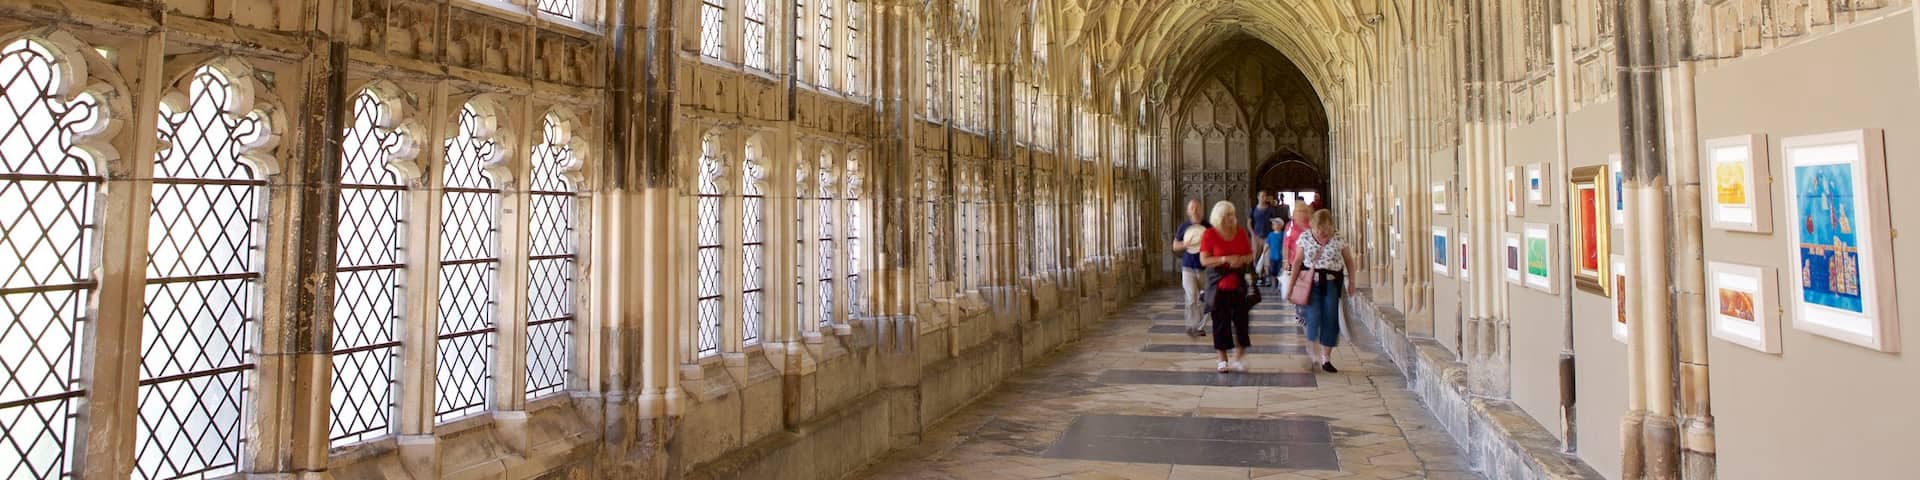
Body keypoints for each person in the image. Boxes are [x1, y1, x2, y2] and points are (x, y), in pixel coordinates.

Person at [1291, 209, 1357, 373]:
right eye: (1318, 229)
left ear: (1331, 225)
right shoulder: (1305, 237)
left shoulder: (1338, 238)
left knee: (1330, 318)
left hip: (1331, 283)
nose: (1322, 232)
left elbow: (1349, 260)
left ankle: (1326, 358)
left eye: (1325, 228)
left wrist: (1352, 282)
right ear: (1312, 226)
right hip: (1311, 284)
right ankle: (1313, 356)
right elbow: (1297, 261)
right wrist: (1291, 285)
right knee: (1313, 317)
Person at [1199, 201, 1258, 373]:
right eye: (1227, 215)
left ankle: (1239, 357)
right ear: (1219, 217)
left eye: (1232, 214)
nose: (1232, 218)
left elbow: (1249, 255)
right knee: (1220, 323)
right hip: (1219, 286)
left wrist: (1241, 259)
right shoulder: (1210, 234)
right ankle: (1222, 358)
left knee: (1242, 322)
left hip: (1238, 285)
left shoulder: (1240, 232)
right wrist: (1225, 259)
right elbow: (1204, 260)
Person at [1169, 199, 1211, 337]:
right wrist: (1186, 244)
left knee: (1206, 299)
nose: (1195, 210)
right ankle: (1192, 326)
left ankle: (1200, 325)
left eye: (1198, 208)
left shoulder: (1208, 227)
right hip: (1188, 268)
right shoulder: (1184, 227)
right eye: (1192, 208)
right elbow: (1175, 246)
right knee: (1192, 298)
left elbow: (1215, 246)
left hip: (1205, 269)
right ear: (1188, 211)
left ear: (1202, 210)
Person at [1280, 202, 1314, 297]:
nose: (1301, 213)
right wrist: (1285, 260)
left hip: (1310, 260)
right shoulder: (1290, 225)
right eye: (1299, 211)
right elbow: (1286, 244)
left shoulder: (1312, 224)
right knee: (1296, 284)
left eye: (1303, 211)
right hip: (1294, 260)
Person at [1248, 191, 1277, 287]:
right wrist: (1253, 235)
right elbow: (1249, 223)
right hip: (1256, 236)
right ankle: (1259, 276)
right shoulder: (1253, 209)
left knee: (1267, 257)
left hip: (1268, 236)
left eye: (1265, 196)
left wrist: (1273, 233)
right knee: (1256, 256)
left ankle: (1267, 276)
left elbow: (1274, 221)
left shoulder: (1270, 209)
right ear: (1258, 197)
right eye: (1262, 196)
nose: (1264, 198)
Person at [1265, 217, 1287, 288]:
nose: (1274, 226)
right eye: (1273, 224)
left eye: (1276, 224)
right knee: (1272, 270)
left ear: (1281, 226)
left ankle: (1279, 284)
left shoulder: (1283, 234)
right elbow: (1267, 244)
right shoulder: (1270, 235)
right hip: (1272, 256)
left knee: (1280, 271)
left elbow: (1285, 244)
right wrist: (1264, 251)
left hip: (1280, 256)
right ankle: (1273, 283)